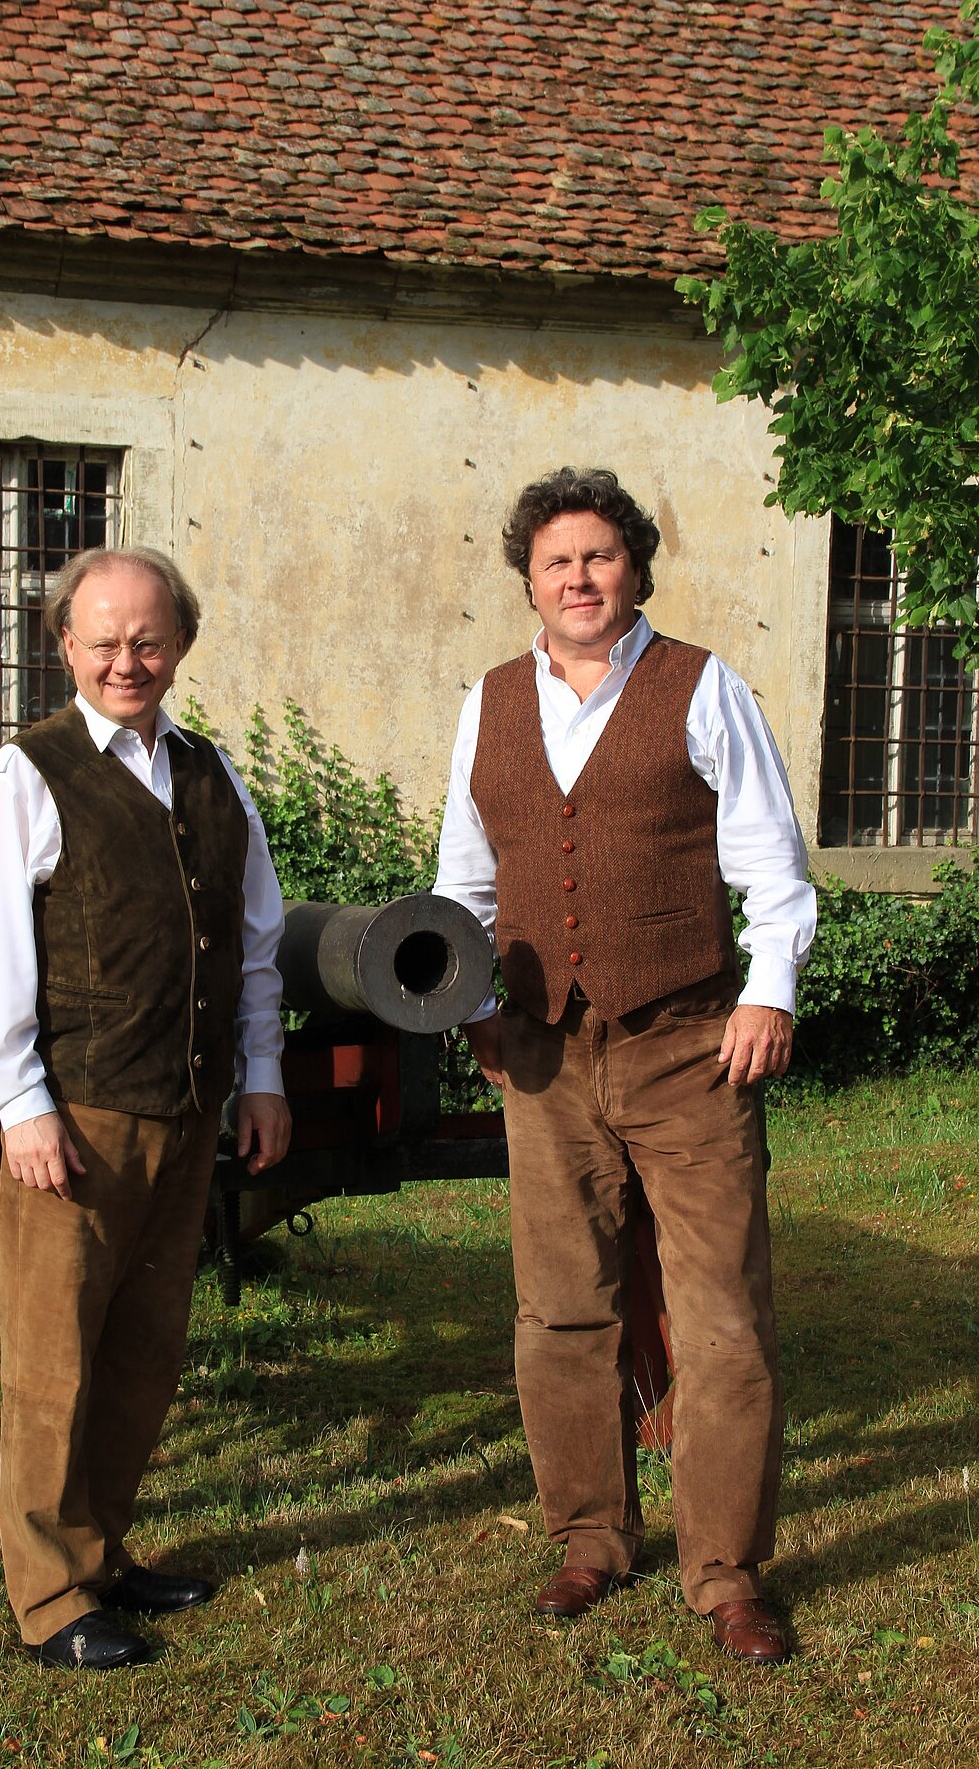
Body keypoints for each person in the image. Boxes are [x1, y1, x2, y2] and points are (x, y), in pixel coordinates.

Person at [434, 468, 815, 1663]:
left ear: (635, 569)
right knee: (558, 1312)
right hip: (544, 1056)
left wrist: (768, 993)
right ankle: (592, 1537)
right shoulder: (489, 701)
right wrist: (472, 1006)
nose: (579, 579)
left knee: (720, 1323)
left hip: (688, 1046)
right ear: (528, 581)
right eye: (557, 562)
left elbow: (772, 860)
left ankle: (726, 1570)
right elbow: (467, 876)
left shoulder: (704, 688)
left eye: (600, 557)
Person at [0, 545, 290, 1670]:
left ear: (181, 643)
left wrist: (263, 1076)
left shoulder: (212, 772)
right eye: (101, 641)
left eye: (147, 640)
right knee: (53, 1360)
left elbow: (253, 948)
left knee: (146, 1348)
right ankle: (50, 1599)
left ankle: (103, 1556)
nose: (125, 661)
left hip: (188, 1108)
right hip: (79, 1117)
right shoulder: (26, 776)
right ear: (64, 646)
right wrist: (20, 1102)